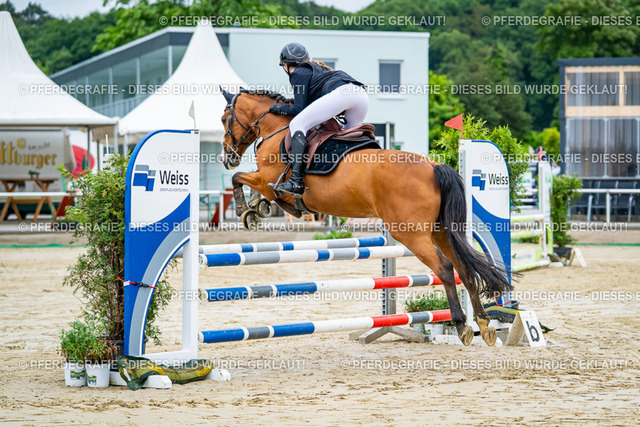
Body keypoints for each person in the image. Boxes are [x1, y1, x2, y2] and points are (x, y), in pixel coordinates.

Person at [269, 42, 368, 197]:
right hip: (361, 96)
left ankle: (296, 181)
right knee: (347, 137)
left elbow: (299, 109)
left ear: (286, 65)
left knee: (297, 123)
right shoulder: (317, 69)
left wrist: (279, 108)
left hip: (343, 94)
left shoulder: (298, 72)